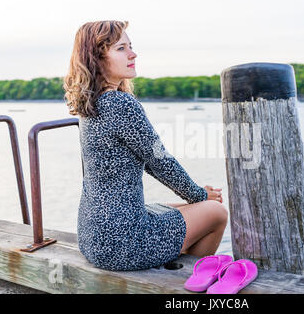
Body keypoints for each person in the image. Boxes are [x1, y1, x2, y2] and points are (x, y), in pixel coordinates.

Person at [63, 20, 228, 271]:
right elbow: (159, 161)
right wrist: (201, 195)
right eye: (121, 49)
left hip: (94, 237)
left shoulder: (92, 105)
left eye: (131, 46)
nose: (133, 54)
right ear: (97, 58)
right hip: (123, 243)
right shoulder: (120, 104)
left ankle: (174, 259)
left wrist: (195, 197)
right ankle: (189, 278)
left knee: (193, 206)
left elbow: (148, 160)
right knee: (216, 212)